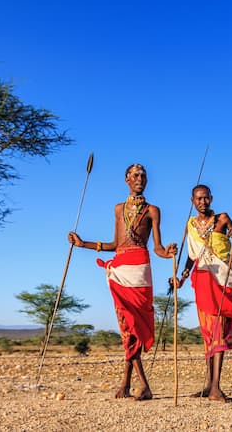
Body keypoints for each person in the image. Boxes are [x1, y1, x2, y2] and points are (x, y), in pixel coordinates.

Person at [68, 164, 176, 401]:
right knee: (127, 327)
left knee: (135, 325)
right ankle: (131, 384)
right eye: (136, 175)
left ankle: (138, 384)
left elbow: (157, 247)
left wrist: (167, 253)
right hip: (120, 267)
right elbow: (114, 244)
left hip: (140, 270)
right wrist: (82, 243)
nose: (140, 179)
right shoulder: (118, 209)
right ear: (127, 179)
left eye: (144, 175)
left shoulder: (152, 211)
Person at [171, 184, 232, 402]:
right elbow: (190, 256)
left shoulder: (222, 218)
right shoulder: (190, 225)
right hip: (202, 278)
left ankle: (216, 386)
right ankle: (209, 385)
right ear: (192, 201)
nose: (202, 202)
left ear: (211, 199)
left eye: (206, 198)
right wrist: (182, 278)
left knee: (218, 331)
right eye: (198, 199)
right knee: (208, 333)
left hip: (221, 279)